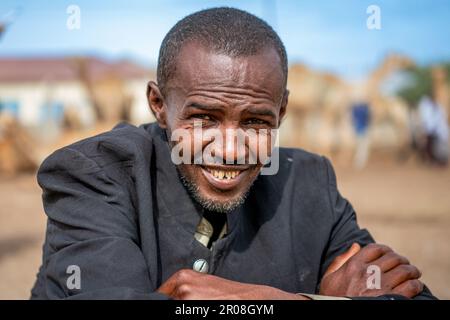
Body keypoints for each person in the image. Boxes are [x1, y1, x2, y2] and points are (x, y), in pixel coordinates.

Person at [31, 7, 435, 300]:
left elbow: (406, 291)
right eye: (204, 118)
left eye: (256, 123)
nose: (229, 149)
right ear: (158, 104)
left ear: (281, 111)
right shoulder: (94, 175)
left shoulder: (309, 184)